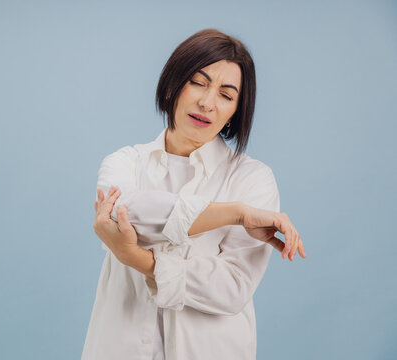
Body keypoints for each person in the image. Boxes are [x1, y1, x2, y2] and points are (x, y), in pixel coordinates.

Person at [82, 28, 306, 360]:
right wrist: (236, 214)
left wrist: (137, 258)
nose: (207, 102)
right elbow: (125, 212)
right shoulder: (124, 161)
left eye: (226, 95)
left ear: (235, 111)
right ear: (173, 84)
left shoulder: (252, 178)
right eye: (198, 83)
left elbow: (231, 287)